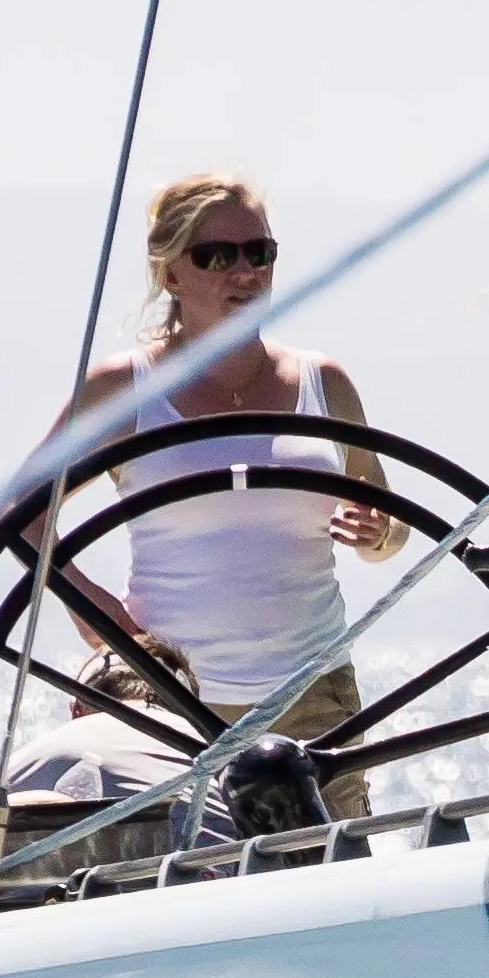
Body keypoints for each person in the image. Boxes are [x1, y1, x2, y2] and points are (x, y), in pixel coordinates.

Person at [51, 173, 405, 754]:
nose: (245, 272)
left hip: (315, 695)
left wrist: (377, 533)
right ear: (170, 273)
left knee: (329, 849)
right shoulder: (124, 390)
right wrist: (105, 622)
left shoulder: (324, 382)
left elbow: (390, 535)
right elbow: (22, 514)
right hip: (169, 698)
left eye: (259, 252)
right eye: (216, 256)